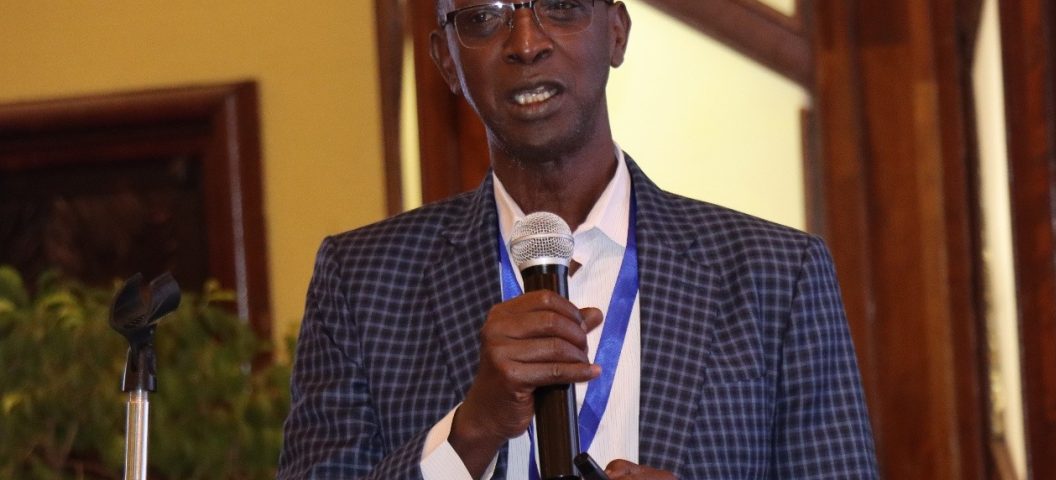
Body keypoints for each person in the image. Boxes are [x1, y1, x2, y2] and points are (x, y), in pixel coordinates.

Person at [278, 0, 878, 478]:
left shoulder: (777, 275)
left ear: (616, 32)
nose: (525, 43)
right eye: (484, 17)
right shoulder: (361, 281)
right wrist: (472, 431)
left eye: (561, 5)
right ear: (447, 61)